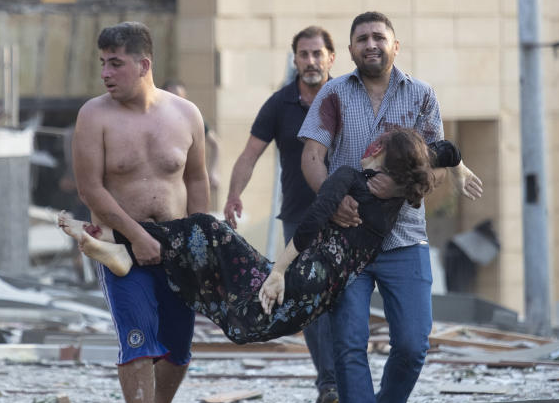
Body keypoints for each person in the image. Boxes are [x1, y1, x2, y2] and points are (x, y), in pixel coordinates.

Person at [59, 128, 477, 347]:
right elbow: (449, 149)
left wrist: (277, 272)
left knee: (207, 232)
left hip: (303, 274)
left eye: (377, 144)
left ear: (383, 153)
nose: (368, 146)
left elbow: (312, 221)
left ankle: (121, 245)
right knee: (211, 248)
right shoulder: (403, 187)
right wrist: (458, 170)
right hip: (322, 291)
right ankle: (121, 248)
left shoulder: (351, 177)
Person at [298, 11, 483, 403]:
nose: (371, 44)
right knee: (349, 345)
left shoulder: (421, 96)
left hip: (405, 239)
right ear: (352, 48)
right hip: (349, 242)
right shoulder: (334, 93)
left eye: (379, 37)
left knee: (412, 344)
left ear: (395, 45)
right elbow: (312, 156)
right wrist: (333, 200)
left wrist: (399, 189)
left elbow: (437, 163)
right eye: (361, 38)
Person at [72, 22, 210, 403]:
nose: (106, 73)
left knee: (179, 347)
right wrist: (137, 235)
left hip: (176, 246)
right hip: (121, 249)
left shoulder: (186, 113)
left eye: (116, 63)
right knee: (137, 340)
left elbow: (195, 180)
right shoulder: (95, 115)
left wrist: (201, 241)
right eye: (103, 64)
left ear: (143, 64)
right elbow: (90, 187)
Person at [223, 26, 339, 403]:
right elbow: (249, 154)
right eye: (304, 54)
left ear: (331, 58)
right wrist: (233, 194)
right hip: (299, 218)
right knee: (308, 301)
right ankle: (329, 385)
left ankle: (348, 378)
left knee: (344, 299)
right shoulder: (279, 104)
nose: (310, 61)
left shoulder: (347, 97)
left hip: (347, 215)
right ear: (295, 60)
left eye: (317, 54)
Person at [163, 79, 221, 193]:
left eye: (181, 99)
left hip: (186, 179)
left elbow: (216, 143)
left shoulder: (191, 118)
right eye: (173, 98)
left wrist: (214, 171)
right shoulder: (154, 118)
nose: (177, 103)